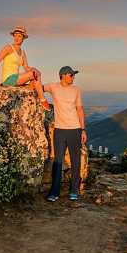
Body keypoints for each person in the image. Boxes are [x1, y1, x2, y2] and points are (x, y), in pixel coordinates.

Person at [43, 66, 86, 202]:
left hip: (75, 129)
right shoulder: (53, 87)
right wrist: (42, 99)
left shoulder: (76, 90)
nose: (73, 77)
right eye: (71, 75)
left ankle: (74, 190)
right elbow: (38, 86)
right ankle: (54, 192)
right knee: (58, 161)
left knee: (75, 161)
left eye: (73, 75)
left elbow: (79, 109)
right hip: (60, 130)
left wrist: (83, 129)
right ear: (63, 75)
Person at [0, 26, 50, 110]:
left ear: (23, 38)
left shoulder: (22, 53)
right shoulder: (8, 48)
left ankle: (37, 100)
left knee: (36, 74)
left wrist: (34, 69)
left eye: (19, 36)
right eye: (15, 35)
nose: (16, 38)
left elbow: (26, 67)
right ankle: (42, 99)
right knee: (34, 75)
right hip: (9, 79)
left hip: (17, 78)